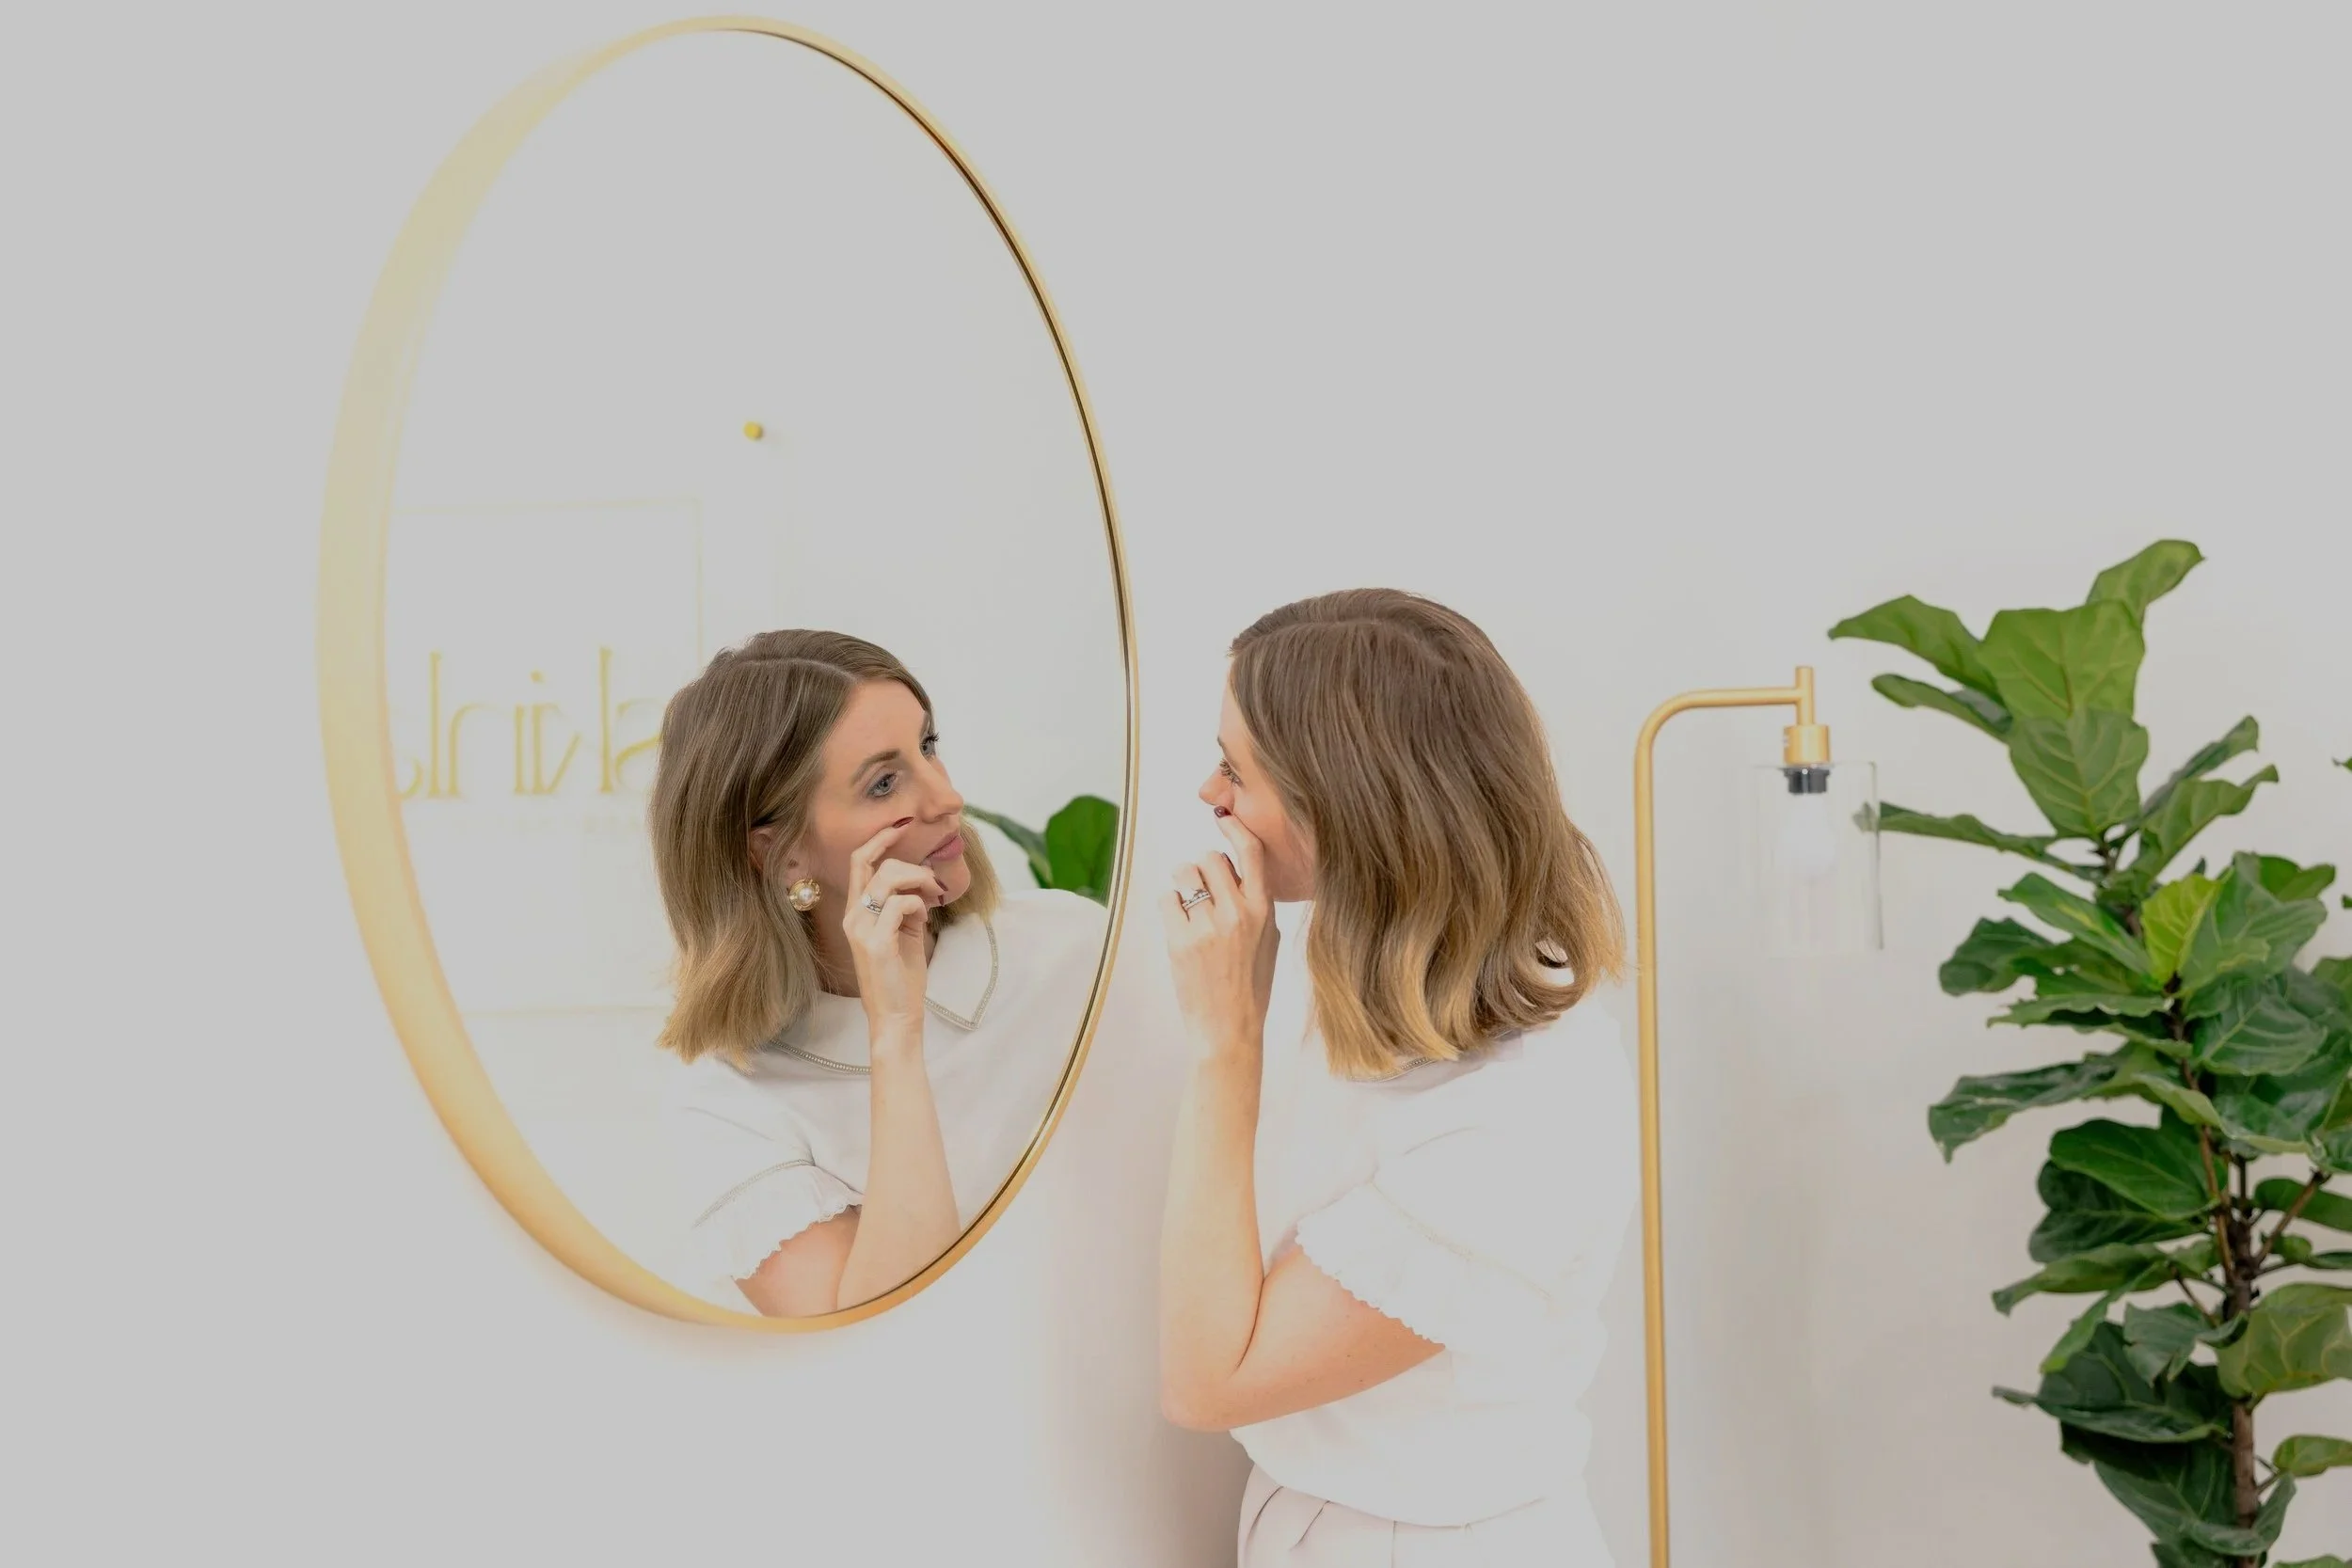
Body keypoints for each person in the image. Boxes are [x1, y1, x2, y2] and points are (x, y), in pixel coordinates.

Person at [1157, 589, 1637, 1565]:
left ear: (1347, 806)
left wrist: (1224, 1041)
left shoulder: (1518, 1122)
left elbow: (1208, 1381)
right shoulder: (1350, 955)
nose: (1209, 792)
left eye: (1236, 768)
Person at [649, 629, 1104, 1316]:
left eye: (928, 745)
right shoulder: (729, 1105)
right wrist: (895, 1030)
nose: (947, 797)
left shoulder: (1073, 948)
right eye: (884, 783)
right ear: (781, 853)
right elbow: (886, 1338)